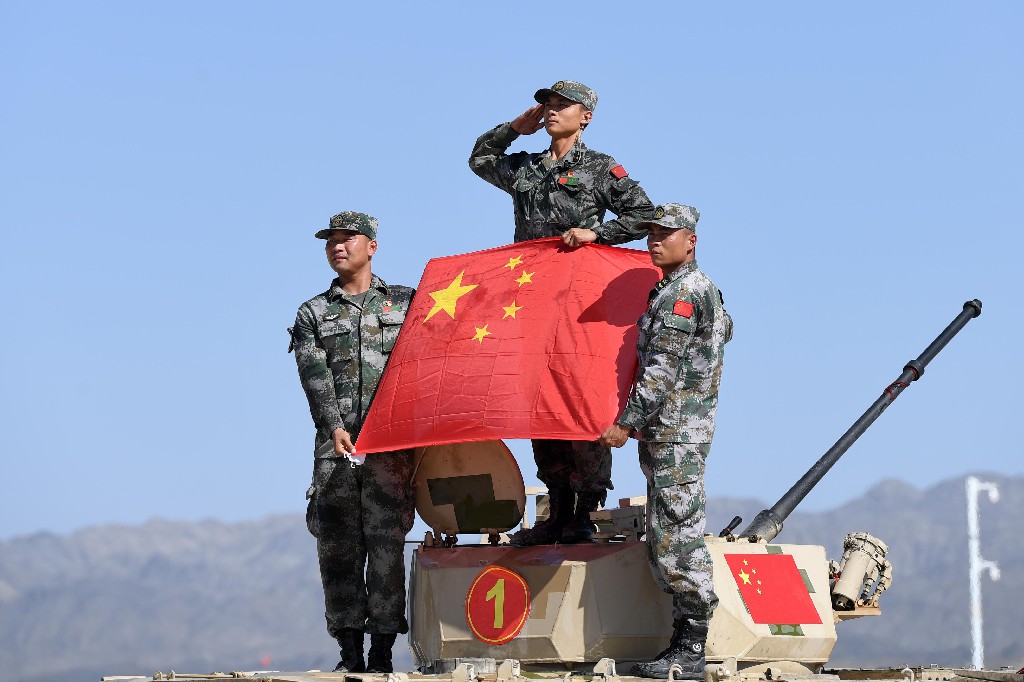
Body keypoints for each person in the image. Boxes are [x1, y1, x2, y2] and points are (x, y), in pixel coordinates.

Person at [469, 79, 656, 545]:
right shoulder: (527, 168)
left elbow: (643, 215)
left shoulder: (599, 168)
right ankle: (557, 508)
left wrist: (597, 234)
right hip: (531, 303)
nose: (551, 111)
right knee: (539, 400)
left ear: (585, 116)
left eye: (562, 105)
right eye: (547, 105)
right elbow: (480, 160)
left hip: (579, 304)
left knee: (578, 396)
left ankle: (585, 509)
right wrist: (515, 128)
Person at [598, 203, 732, 679]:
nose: (653, 241)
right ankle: (682, 643)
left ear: (690, 240)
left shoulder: (684, 294)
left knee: (677, 537)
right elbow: (725, 333)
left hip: (677, 434)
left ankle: (691, 649)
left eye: (665, 233)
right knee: (665, 535)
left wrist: (626, 422)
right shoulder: (682, 290)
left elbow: (662, 370)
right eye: (650, 233)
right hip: (672, 433)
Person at [288, 211, 416, 674]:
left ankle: (382, 651)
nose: (337, 247)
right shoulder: (313, 313)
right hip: (336, 452)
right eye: (331, 241)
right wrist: (333, 425)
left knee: (386, 550)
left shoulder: (407, 303)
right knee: (338, 550)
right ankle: (349, 653)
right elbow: (314, 375)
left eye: (347, 239)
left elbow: (427, 364)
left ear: (372, 246)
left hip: (390, 450)